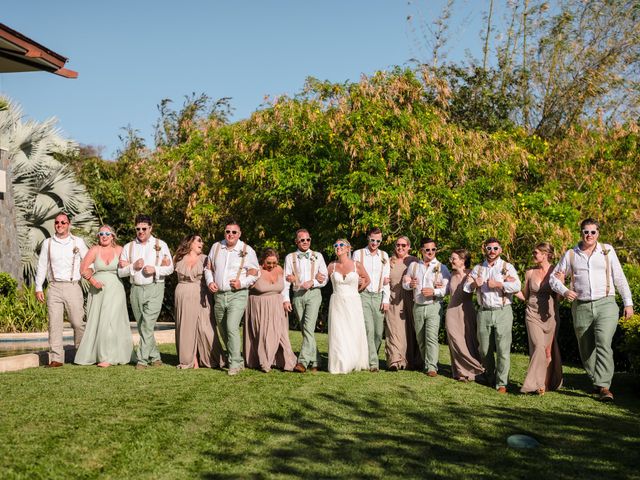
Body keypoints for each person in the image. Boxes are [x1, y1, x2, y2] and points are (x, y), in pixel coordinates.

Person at [550, 218, 633, 402]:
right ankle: (597, 380)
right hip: (581, 306)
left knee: (603, 341)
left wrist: (628, 303)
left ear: (598, 233)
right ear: (581, 233)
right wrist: (564, 290)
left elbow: (619, 277)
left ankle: (604, 387)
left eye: (593, 232)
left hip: (606, 303)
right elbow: (553, 279)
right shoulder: (571, 254)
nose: (589, 235)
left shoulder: (607, 250)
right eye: (586, 232)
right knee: (585, 347)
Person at [464, 237, 521, 393]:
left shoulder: (507, 267)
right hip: (483, 311)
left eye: (495, 248)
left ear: (500, 250)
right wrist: (476, 283)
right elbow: (466, 287)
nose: (492, 251)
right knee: (484, 349)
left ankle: (502, 383)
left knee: (503, 349)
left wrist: (499, 284)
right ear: (485, 249)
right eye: (489, 248)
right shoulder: (478, 268)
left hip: (503, 311)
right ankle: (490, 376)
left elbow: (517, 285)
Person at [118, 214, 174, 370]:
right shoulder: (128, 247)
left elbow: (170, 268)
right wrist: (132, 267)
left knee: (148, 323)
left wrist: (155, 269)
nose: (141, 231)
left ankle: (141, 360)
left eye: (144, 228)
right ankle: (155, 356)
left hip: (155, 287)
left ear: (151, 228)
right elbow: (120, 272)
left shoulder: (161, 244)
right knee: (143, 325)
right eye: (138, 229)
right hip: (135, 289)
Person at [204, 220, 259, 376]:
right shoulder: (216, 247)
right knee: (222, 329)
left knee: (231, 326)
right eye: (228, 232)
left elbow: (256, 273)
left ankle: (234, 362)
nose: (230, 235)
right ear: (224, 233)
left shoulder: (247, 250)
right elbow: (208, 268)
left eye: (234, 232)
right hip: (219, 295)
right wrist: (210, 282)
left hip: (238, 295)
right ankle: (238, 359)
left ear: (239, 234)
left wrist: (242, 283)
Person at [34, 213, 88, 367]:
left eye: (63, 222)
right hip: (54, 287)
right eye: (57, 222)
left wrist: (91, 275)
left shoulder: (78, 242)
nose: (60, 225)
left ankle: (82, 354)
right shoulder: (48, 243)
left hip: (73, 286)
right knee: (54, 324)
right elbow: (42, 266)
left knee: (78, 322)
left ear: (69, 224)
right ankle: (56, 358)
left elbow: (88, 261)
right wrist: (38, 287)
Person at [75, 225, 133, 367]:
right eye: (101, 234)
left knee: (112, 320)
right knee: (99, 321)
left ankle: (109, 357)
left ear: (113, 236)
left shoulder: (120, 250)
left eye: (107, 233)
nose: (104, 236)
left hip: (115, 290)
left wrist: (128, 263)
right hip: (98, 291)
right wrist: (93, 281)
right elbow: (83, 269)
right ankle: (98, 355)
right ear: (98, 236)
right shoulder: (95, 250)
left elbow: (128, 267)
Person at [515, 242, 563, 395]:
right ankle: (531, 384)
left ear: (545, 254)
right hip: (532, 314)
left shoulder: (556, 271)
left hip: (550, 316)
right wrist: (508, 288)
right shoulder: (529, 272)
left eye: (536, 253)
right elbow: (525, 295)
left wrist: (562, 284)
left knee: (547, 351)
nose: (533, 255)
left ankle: (544, 385)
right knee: (538, 346)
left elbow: (559, 298)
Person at [173, 234, 224, 369]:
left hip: (201, 294)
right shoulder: (178, 258)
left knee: (204, 327)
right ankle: (190, 359)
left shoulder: (206, 259)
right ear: (190, 243)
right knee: (186, 327)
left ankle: (209, 357)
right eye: (199, 241)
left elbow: (217, 273)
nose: (202, 243)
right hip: (182, 294)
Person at [282, 229, 328, 373]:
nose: (306, 242)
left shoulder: (318, 256)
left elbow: (325, 278)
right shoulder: (290, 257)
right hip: (297, 295)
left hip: (314, 294)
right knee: (305, 329)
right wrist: (286, 299)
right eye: (302, 240)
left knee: (308, 327)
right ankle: (316, 360)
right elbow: (285, 280)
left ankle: (302, 362)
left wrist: (313, 282)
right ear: (297, 241)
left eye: (308, 239)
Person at [403, 238, 450, 377]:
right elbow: (405, 282)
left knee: (431, 337)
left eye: (433, 249)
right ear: (422, 251)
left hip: (434, 306)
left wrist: (434, 292)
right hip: (417, 306)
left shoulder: (442, 267)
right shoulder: (414, 266)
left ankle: (432, 367)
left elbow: (447, 288)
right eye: (427, 250)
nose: (430, 252)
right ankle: (426, 362)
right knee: (420, 338)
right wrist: (409, 284)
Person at [244, 249, 297, 372]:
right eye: (269, 263)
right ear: (262, 260)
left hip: (277, 306)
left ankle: (286, 361)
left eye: (274, 263)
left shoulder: (279, 269)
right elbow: (245, 286)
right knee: (265, 334)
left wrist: (285, 300)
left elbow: (284, 288)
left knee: (281, 335)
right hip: (260, 306)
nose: (272, 266)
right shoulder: (255, 270)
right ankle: (264, 362)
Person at [327, 239, 370, 374]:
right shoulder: (331, 266)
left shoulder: (357, 265)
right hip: (337, 301)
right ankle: (340, 362)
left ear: (348, 248)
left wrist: (359, 288)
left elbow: (367, 280)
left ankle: (354, 359)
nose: (338, 247)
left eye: (341, 245)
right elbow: (323, 280)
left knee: (352, 330)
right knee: (338, 332)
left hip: (353, 301)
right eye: (336, 245)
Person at [353, 228, 391, 372]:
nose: (375, 243)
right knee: (368, 328)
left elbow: (386, 279)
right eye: (372, 240)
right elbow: (353, 273)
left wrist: (386, 299)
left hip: (378, 296)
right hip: (363, 295)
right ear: (368, 238)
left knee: (377, 332)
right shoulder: (358, 253)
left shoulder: (384, 255)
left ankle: (369, 356)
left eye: (378, 241)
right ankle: (373, 363)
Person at [445, 249, 484, 382]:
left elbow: (476, 287)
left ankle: (474, 370)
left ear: (462, 260)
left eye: (453, 258)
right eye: (451, 258)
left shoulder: (471, 273)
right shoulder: (451, 274)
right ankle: (461, 371)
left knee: (469, 340)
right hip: (452, 311)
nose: (451, 261)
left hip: (467, 310)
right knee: (455, 340)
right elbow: (446, 291)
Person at [385, 236, 423, 371]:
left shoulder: (415, 261)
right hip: (393, 299)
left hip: (410, 298)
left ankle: (412, 361)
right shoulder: (389, 261)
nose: (400, 248)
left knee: (410, 330)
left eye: (403, 245)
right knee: (394, 330)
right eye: (398, 245)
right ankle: (394, 361)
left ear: (409, 247)